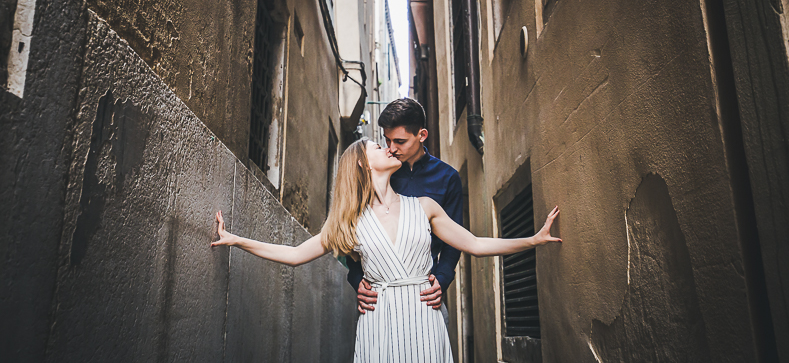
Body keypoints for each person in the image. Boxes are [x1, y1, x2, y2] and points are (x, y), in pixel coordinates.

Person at [212, 139, 561, 363]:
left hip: (425, 317)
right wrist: (237, 240)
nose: (390, 149)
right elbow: (293, 255)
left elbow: (475, 244)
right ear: (364, 164)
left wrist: (532, 239)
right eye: (380, 147)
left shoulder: (424, 206)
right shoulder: (347, 221)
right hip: (379, 323)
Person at [348, 98, 462, 317]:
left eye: (399, 141)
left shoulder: (448, 178)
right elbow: (352, 232)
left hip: (425, 296)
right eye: (387, 140)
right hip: (378, 299)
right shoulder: (379, 171)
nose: (391, 149)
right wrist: (356, 280)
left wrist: (442, 279)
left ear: (422, 135)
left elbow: (454, 242)